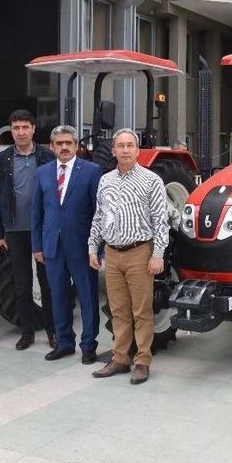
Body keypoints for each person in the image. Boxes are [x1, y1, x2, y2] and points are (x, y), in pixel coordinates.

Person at [89, 128, 168, 385]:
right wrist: (92, 248)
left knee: (141, 311)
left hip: (139, 253)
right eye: (120, 146)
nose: (124, 150)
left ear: (137, 150)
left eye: (129, 145)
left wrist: (158, 254)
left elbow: (160, 221)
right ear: (113, 151)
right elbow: (99, 217)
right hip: (112, 254)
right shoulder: (105, 181)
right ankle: (120, 359)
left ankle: (142, 361)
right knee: (118, 310)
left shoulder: (151, 180)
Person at [32, 125, 102, 364]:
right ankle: (64, 343)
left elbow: (98, 212)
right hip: (52, 247)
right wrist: (37, 246)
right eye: (59, 143)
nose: (64, 147)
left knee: (87, 297)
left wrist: (96, 248)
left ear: (76, 146)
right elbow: (37, 212)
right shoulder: (42, 173)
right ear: (52, 147)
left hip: (82, 247)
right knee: (58, 296)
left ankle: (89, 345)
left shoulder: (92, 171)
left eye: (68, 143)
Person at [0, 110, 56, 350]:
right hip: (15, 231)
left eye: (25, 127)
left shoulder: (48, 157)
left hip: (42, 231)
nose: (20, 132)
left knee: (47, 284)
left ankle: (52, 332)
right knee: (21, 285)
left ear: (33, 129)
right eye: (16, 128)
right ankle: (27, 332)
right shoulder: (3, 160)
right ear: (11, 130)